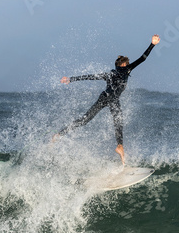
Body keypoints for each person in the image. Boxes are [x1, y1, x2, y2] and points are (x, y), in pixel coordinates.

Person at [52, 34, 160, 165]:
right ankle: (120, 148)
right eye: (127, 64)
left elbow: (90, 76)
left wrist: (71, 79)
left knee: (84, 120)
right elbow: (142, 58)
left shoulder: (110, 74)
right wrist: (152, 44)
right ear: (125, 64)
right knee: (118, 122)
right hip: (113, 99)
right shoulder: (127, 70)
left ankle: (58, 135)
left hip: (104, 97)